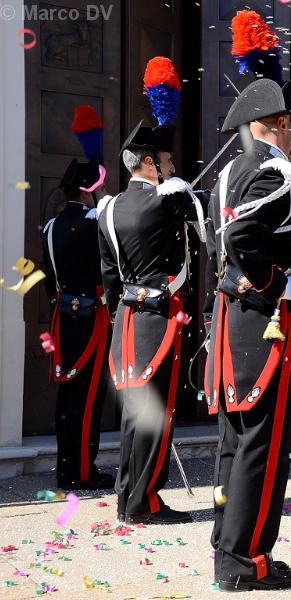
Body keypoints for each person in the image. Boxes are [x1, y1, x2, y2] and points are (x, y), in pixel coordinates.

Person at [204, 77, 291, 591]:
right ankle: (247, 559)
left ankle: (228, 546)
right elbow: (240, 236)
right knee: (264, 442)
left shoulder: (229, 172)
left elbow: (218, 245)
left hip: (232, 316)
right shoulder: (280, 172)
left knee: (236, 438)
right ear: (279, 125)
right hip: (266, 319)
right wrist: (282, 285)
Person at [97, 57, 203, 525]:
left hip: (124, 318)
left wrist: (118, 311)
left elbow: (109, 275)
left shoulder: (108, 208)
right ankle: (145, 502)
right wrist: (181, 189)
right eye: (167, 160)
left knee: (133, 415)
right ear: (148, 163)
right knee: (156, 414)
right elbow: (203, 224)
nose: (173, 166)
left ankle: (128, 498)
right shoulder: (169, 199)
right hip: (160, 319)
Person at [41, 105, 114, 491]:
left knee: (67, 397)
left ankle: (65, 469)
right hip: (92, 318)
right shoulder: (94, 223)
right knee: (87, 398)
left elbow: (49, 277)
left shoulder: (52, 226)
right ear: (88, 190)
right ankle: (82, 472)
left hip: (62, 317)